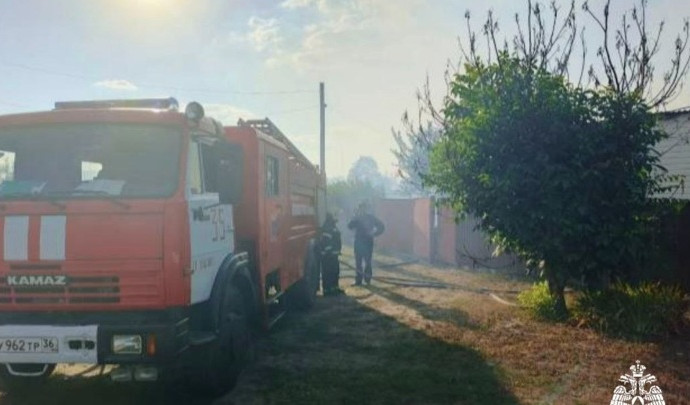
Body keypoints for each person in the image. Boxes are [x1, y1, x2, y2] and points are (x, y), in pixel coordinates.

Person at [348, 202, 385, 286]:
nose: (362, 210)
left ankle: (367, 280)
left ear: (365, 209)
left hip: (368, 242)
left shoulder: (371, 217)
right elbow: (349, 226)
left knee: (367, 262)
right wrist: (354, 218)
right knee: (358, 262)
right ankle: (358, 280)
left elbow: (382, 226)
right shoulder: (356, 218)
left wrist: (374, 233)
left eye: (363, 208)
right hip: (358, 242)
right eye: (360, 208)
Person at [318, 213, 343, 296]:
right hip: (328, 256)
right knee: (328, 272)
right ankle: (328, 290)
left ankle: (334, 288)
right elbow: (325, 242)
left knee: (335, 271)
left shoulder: (332, 226)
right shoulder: (328, 227)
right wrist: (330, 251)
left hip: (333, 255)